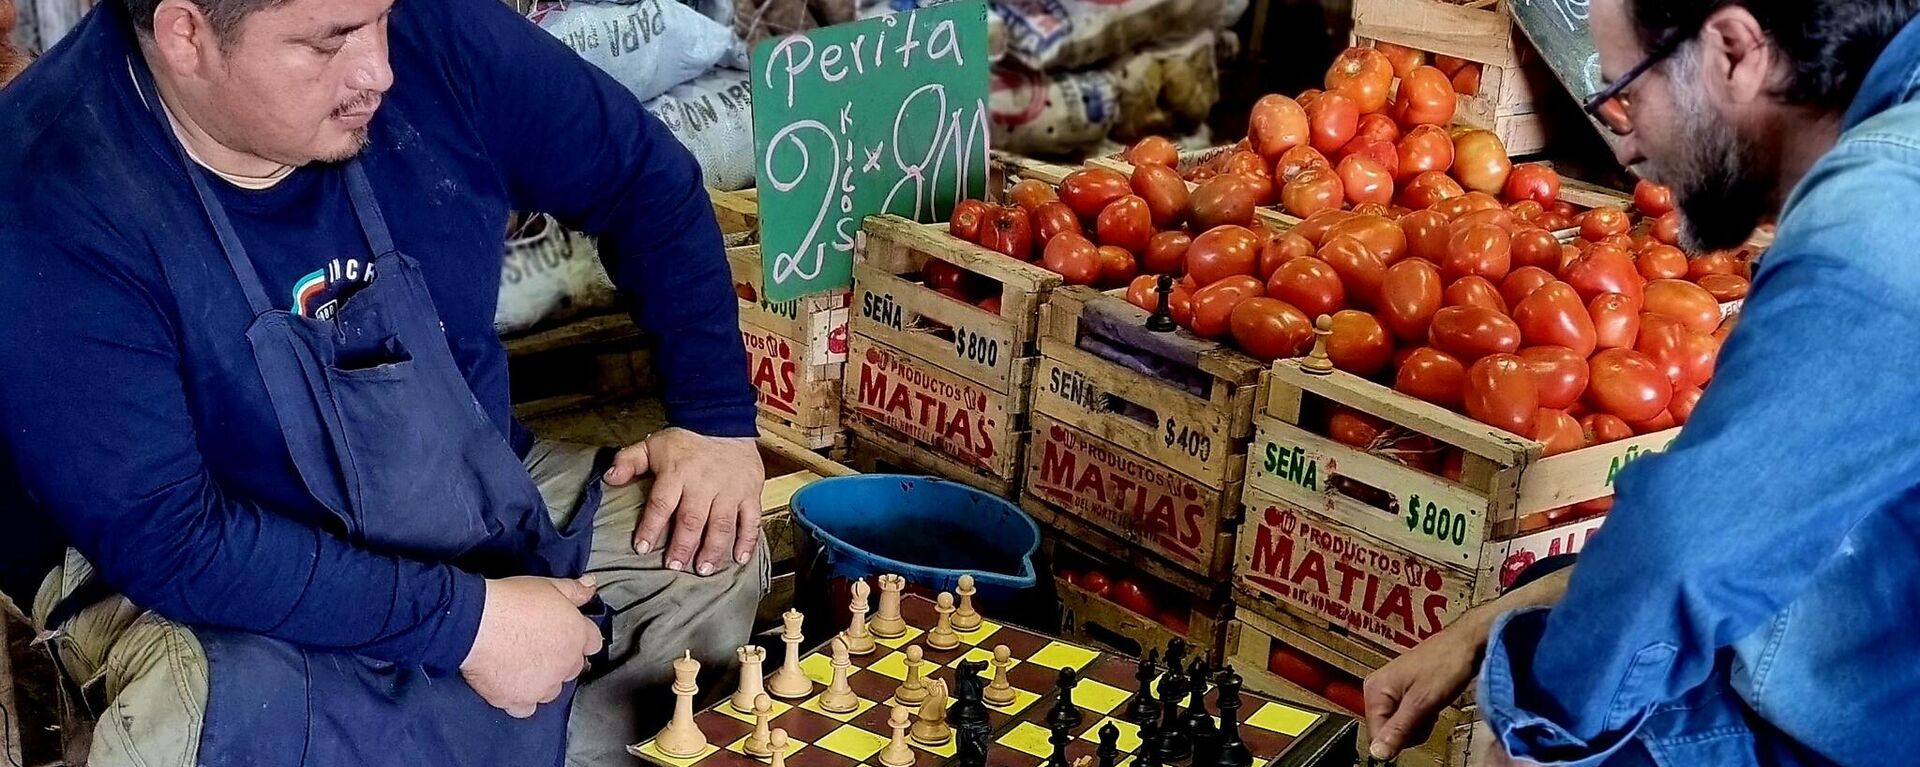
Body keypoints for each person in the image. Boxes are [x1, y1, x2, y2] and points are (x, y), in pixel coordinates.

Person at [0, 0, 770, 764]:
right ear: (186, 35)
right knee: (197, 722)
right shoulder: (50, 183)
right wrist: (468, 624)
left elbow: (643, 177)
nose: (380, 70)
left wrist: (716, 418)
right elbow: (172, 538)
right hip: (215, 568)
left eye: (381, 19)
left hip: (461, 494)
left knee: (707, 547)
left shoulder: (432, 34)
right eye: (326, 43)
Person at [1362, 1, 1920, 765]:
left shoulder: (1878, 218)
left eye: (1625, 95)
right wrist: (1501, 619)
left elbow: (1685, 542)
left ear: (1731, 49)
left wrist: (1541, 722)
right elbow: (1761, 527)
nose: (1624, 147)